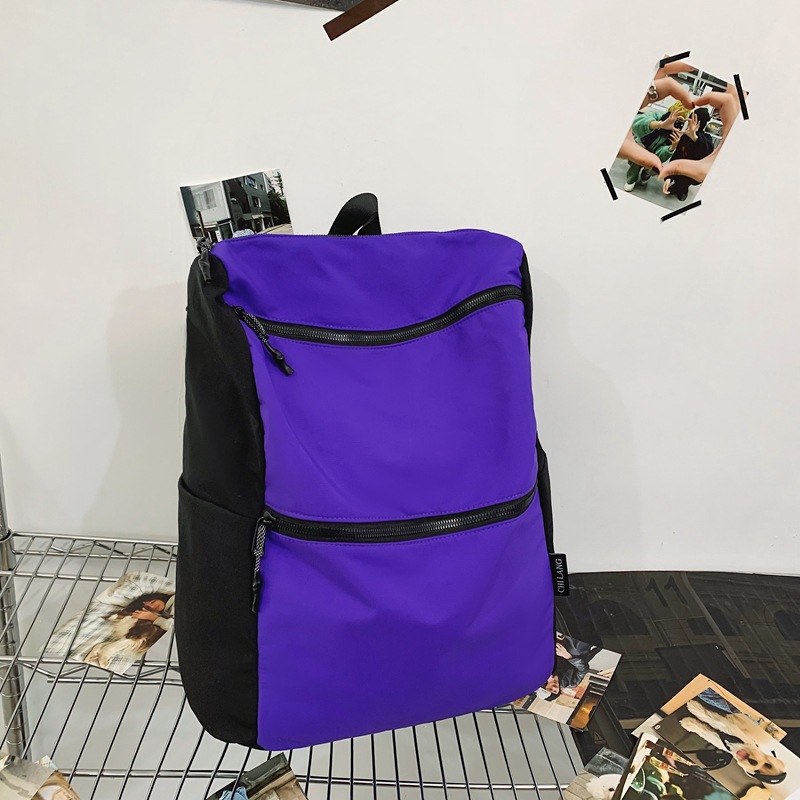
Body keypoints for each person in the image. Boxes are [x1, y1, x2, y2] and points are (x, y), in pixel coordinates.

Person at [624, 103, 689, 192]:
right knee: (638, 156)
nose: (676, 121)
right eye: (675, 116)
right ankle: (631, 178)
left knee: (656, 166)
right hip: (641, 144)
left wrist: (671, 148)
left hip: (654, 154)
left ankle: (645, 175)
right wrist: (660, 124)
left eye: (680, 120)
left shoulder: (675, 131)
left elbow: (660, 156)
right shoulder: (657, 115)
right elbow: (635, 123)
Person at [662, 107, 714, 201]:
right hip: (681, 170)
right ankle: (677, 186)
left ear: (699, 124)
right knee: (679, 177)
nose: (689, 124)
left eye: (692, 121)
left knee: (684, 182)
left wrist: (694, 137)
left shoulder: (706, 138)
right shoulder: (685, 137)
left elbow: (707, 150)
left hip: (692, 174)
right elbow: (677, 156)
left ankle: (682, 190)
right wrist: (669, 177)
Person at [539, 634, 600, 701]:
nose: (554, 688)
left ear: (545, 686)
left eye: (550, 689)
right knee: (575, 649)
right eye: (555, 691)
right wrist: (568, 657)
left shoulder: (544, 672)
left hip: (563, 646)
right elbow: (583, 670)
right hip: (579, 655)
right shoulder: (571, 683)